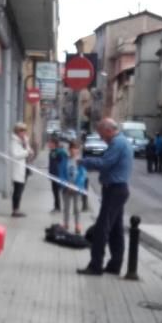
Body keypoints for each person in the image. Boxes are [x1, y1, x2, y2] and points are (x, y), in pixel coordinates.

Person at [78, 118, 132, 276]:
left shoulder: (117, 143)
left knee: (102, 229)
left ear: (109, 130)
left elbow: (105, 163)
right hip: (118, 189)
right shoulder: (121, 142)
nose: (102, 139)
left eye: (102, 135)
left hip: (114, 190)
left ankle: (96, 266)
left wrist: (83, 161)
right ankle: (115, 265)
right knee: (116, 230)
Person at [57, 139, 87, 234]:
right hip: (66, 188)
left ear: (78, 150)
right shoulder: (64, 161)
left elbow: (83, 175)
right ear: (69, 150)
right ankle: (66, 223)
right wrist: (65, 184)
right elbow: (61, 174)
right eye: (72, 148)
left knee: (77, 208)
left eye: (76, 149)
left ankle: (77, 225)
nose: (74, 151)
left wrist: (76, 186)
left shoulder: (80, 161)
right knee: (66, 207)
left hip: (77, 189)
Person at [10, 122, 33, 217]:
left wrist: (28, 148)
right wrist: (26, 152)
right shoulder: (14, 142)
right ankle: (15, 210)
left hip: (24, 167)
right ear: (17, 131)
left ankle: (17, 208)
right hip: (17, 169)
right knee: (17, 190)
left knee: (21, 189)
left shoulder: (24, 141)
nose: (23, 133)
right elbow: (15, 155)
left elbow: (28, 150)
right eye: (21, 130)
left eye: (24, 130)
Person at [47, 135, 68, 213]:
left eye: (50, 143)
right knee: (55, 191)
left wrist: (62, 175)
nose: (48, 144)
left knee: (61, 191)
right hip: (53, 175)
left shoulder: (60, 152)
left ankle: (61, 207)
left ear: (54, 143)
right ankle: (57, 207)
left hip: (58, 175)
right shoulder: (52, 152)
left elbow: (63, 165)